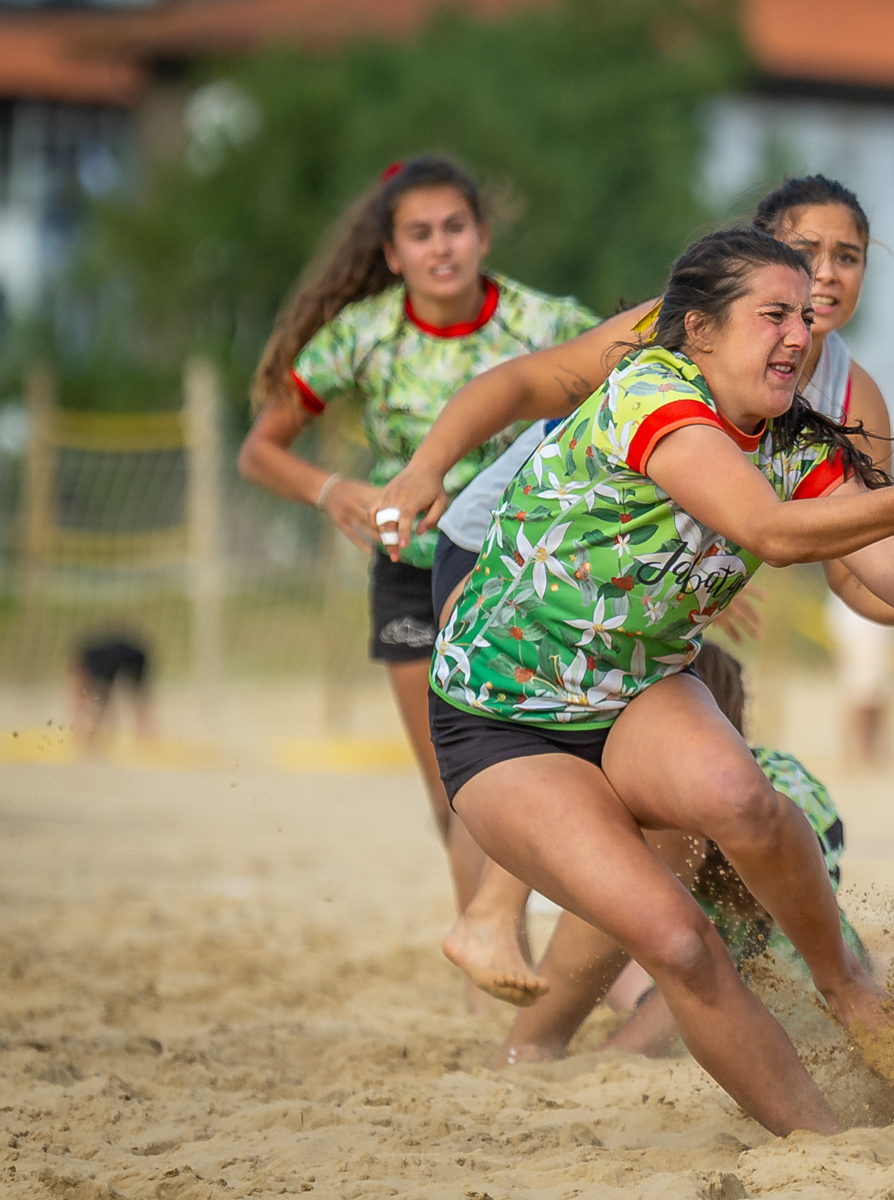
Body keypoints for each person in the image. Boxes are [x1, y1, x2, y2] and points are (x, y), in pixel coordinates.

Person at [373, 227, 894, 1134]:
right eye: (774, 314)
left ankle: (848, 988)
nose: (801, 330)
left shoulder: (800, 435)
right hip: (504, 716)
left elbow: (883, 560)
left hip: (634, 683)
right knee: (676, 937)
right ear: (701, 332)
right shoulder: (648, 386)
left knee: (744, 803)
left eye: (808, 313)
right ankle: (826, 1151)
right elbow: (768, 530)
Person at [237, 156, 613, 1009]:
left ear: (482, 236)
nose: (440, 246)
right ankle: (491, 964)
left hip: (531, 580)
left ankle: (584, 961)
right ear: (393, 252)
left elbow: (632, 398)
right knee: (460, 791)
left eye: (454, 228)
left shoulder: (544, 321)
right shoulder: (361, 335)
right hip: (410, 576)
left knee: (557, 773)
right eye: (420, 233)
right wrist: (334, 491)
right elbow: (258, 451)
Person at [492, 643, 867, 1064]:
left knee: (676, 962)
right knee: (684, 954)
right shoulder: (782, 777)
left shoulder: (659, 800)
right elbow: (824, 859)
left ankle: (609, 1055)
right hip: (810, 967)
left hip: (742, 988)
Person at [751, 176, 894, 767]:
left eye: (848, 256)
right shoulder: (691, 331)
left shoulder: (856, 402)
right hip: (518, 541)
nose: (827, 272)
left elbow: (858, 570)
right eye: (806, 250)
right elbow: (528, 383)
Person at [67, 634, 155, 754]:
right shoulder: (95, 659)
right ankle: (145, 738)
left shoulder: (99, 664)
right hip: (133, 653)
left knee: (135, 702)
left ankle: (145, 738)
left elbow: (102, 701)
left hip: (132, 657)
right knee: (137, 702)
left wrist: (86, 728)